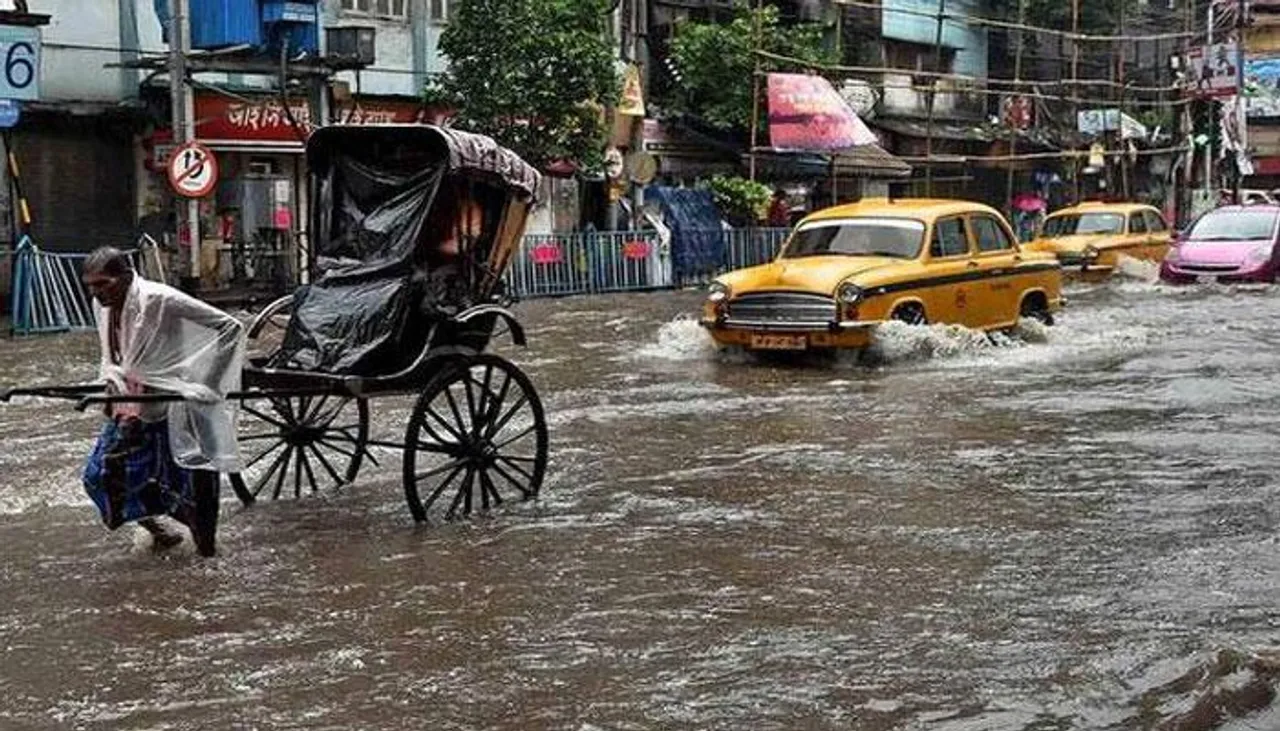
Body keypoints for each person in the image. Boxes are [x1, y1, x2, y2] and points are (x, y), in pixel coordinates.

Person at [81, 248, 245, 557]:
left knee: (191, 482)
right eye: (90, 285)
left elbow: (229, 327)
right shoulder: (101, 305)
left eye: (103, 284)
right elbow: (115, 356)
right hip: (131, 402)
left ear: (126, 277)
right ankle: (158, 528)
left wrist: (207, 384)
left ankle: (205, 551)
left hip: (171, 403)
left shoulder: (159, 299)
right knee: (99, 476)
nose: (96, 292)